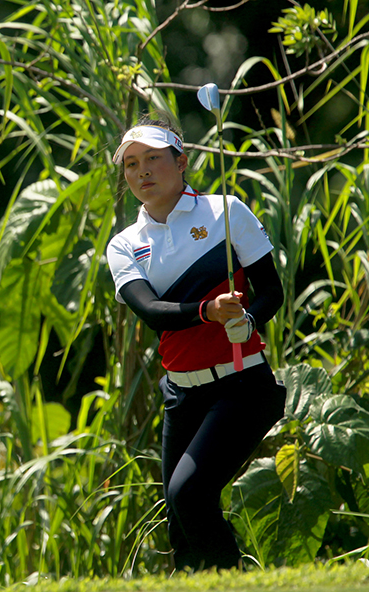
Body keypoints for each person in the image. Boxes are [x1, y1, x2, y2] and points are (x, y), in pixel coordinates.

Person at [105, 116, 287, 572]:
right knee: (182, 530)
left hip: (242, 384)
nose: (141, 171)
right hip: (181, 393)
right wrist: (207, 311)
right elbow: (150, 311)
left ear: (181, 162)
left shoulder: (224, 211)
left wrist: (248, 319)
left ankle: (237, 581)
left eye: (152, 159)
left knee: (189, 493)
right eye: (130, 164)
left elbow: (271, 290)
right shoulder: (125, 244)